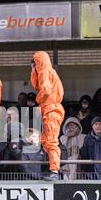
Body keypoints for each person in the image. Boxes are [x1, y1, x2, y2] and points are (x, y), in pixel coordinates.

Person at [30, 51, 65, 181]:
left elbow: (44, 90)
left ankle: (54, 171)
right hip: (50, 110)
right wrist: (34, 71)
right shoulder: (48, 71)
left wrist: (38, 100)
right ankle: (53, 169)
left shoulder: (45, 71)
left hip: (51, 109)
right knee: (46, 140)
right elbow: (36, 85)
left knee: (50, 141)